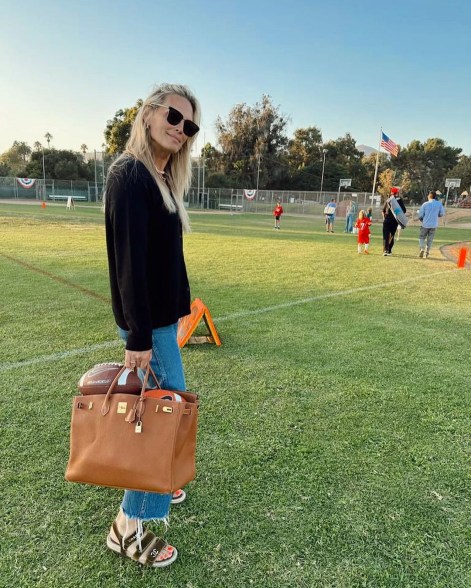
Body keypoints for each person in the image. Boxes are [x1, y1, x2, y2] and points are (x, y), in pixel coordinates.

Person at [104, 83, 200, 568]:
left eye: (190, 125)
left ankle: (156, 489)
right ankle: (127, 528)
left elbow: (164, 260)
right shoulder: (130, 175)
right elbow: (129, 264)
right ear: (147, 115)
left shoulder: (160, 178)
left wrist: (177, 307)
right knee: (162, 421)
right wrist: (139, 337)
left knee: (166, 412)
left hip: (162, 322)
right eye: (173, 117)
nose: (181, 129)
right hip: (148, 328)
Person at [417, 191, 445, 258]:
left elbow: (420, 215)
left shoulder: (425, 204)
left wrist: (421, 218)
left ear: (429, 196)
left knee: (421, 237)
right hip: (434, 225)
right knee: (430, 239)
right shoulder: (439, 204)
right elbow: (442, 214)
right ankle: (427, 252)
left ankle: (422, 248)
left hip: (425, 224)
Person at [382, 187, 406, 256]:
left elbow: (383, 211)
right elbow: (404, 210)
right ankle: (389, 250)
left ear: (391, 193)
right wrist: (397, 212)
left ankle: (385, 251)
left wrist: (384, 218)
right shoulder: (399, 200)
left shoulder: (388, 200)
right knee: (391, 235)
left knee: (386, 236)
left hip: (386, 221)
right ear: (397, 193)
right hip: (394, 221)